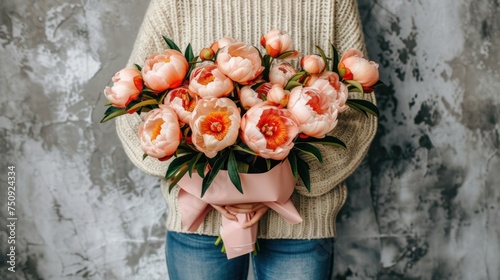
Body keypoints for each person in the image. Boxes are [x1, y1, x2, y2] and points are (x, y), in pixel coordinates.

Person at [115, 0, 377, 279]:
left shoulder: (330, 3)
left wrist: (277, 185)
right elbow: (132, 107)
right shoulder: (174, 4)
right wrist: (210, 184)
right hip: (200, 222)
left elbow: (357, 117)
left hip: (300, 227)